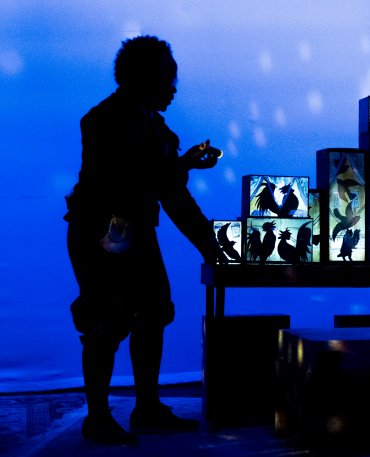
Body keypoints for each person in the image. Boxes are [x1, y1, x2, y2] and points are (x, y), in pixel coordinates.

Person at [64, 35, 227, 445]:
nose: (174, 88)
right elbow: (132, 181)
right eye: (169, 79)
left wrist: (208, 240)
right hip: (107, 231)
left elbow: (168, 192)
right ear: (149, 78)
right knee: (107, 318)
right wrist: (181, 167)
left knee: (153, 311)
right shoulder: (104, 121)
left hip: (126, 230)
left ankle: (146, 407)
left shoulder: (151, 127)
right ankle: (100, 417)